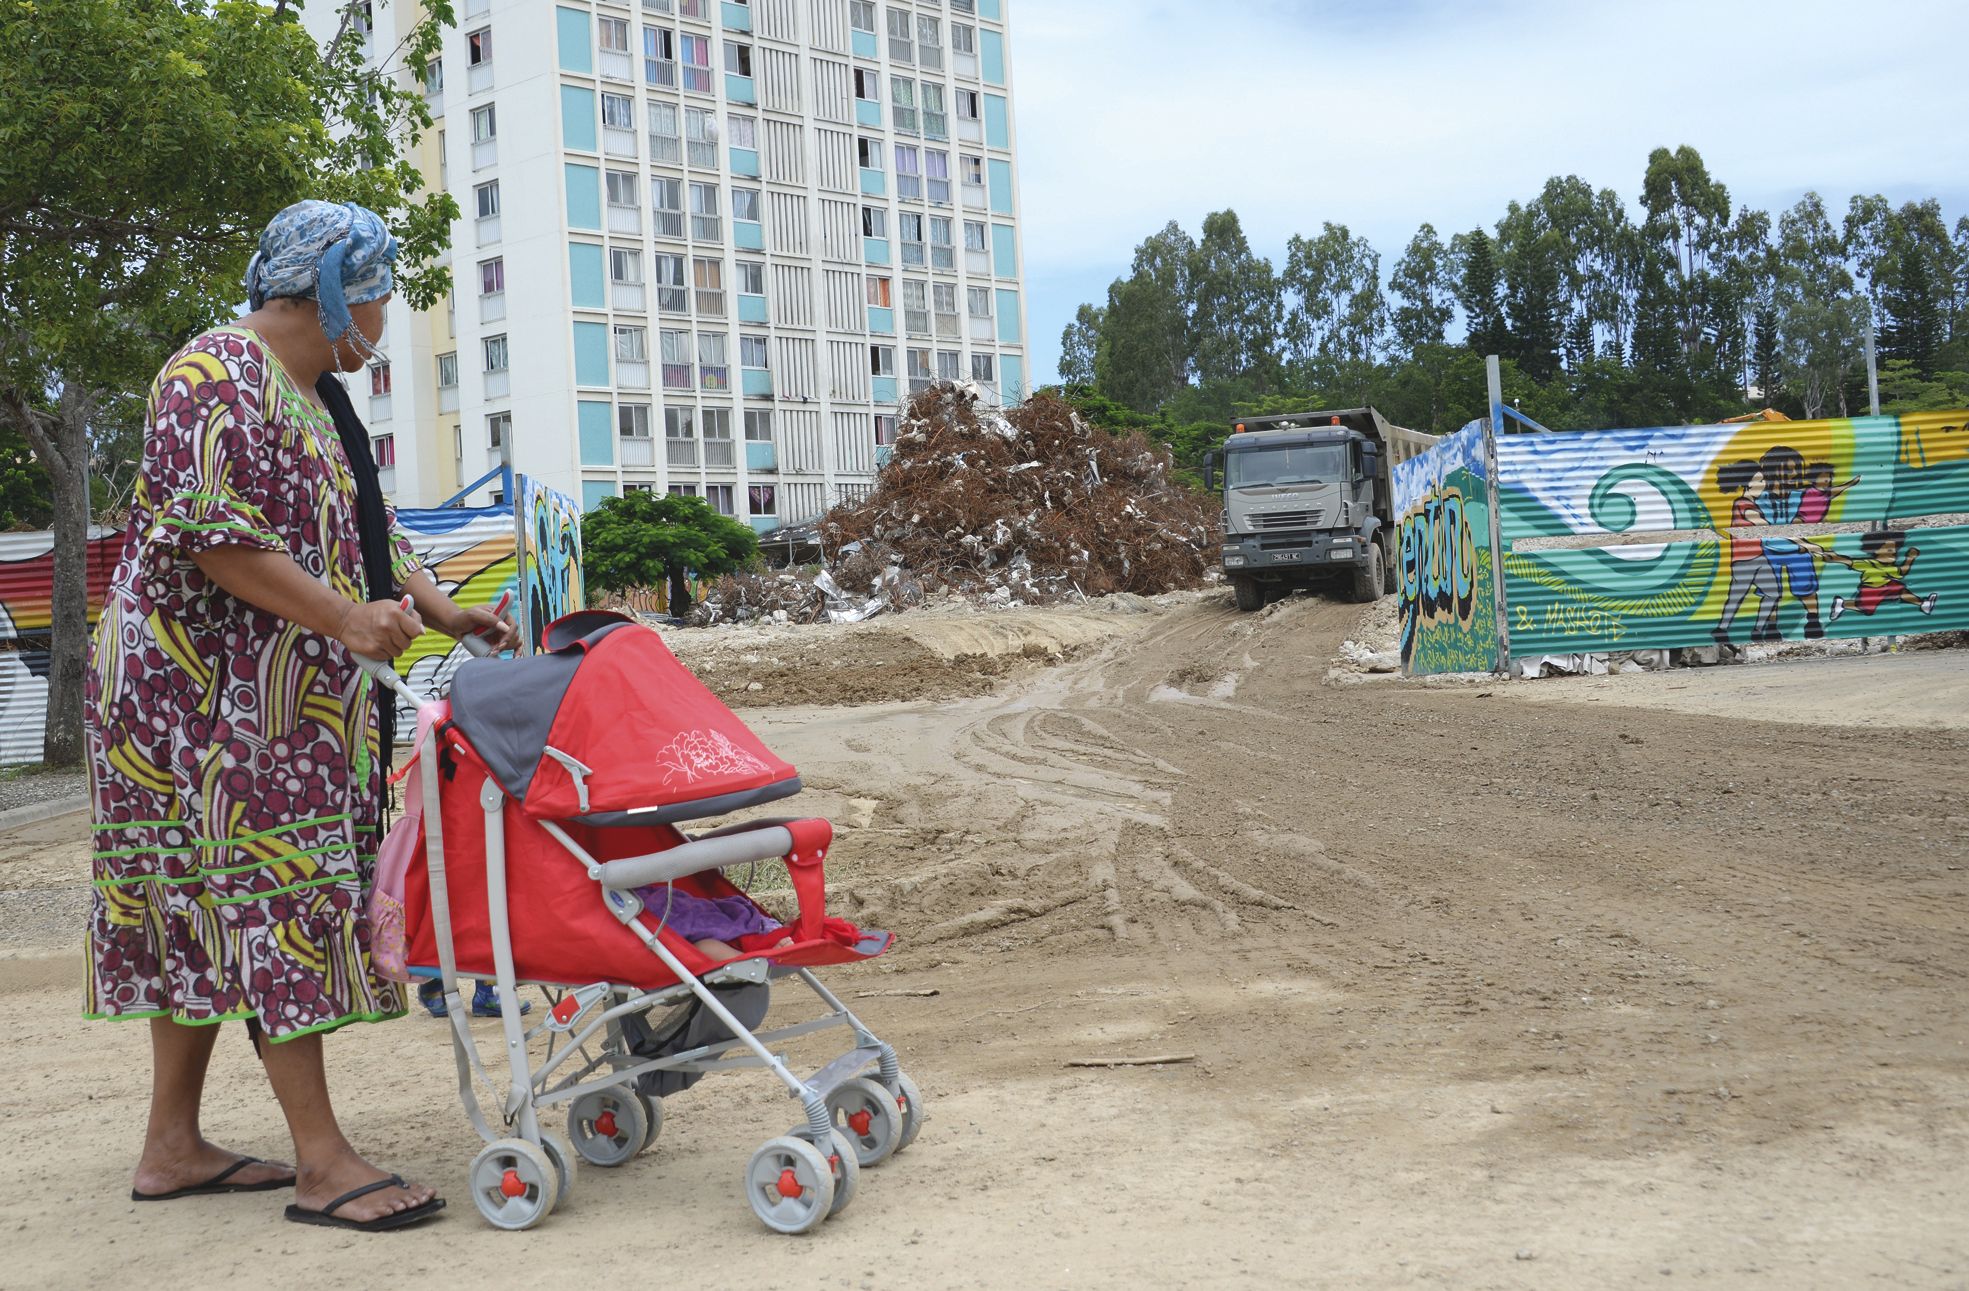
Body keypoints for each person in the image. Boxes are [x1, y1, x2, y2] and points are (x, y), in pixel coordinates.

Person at [85, 201, 518, 1232]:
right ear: (328, 287)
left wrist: (440, 608)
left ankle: (173, 1146)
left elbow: (358, 534)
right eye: (374, 289)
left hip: (277, 694)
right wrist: (344, 621)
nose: (382, 312)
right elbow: (211, 538)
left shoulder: (317, 397)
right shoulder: (209, 377)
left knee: (203, 901)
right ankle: (323, 1162)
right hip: (197, 702)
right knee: (265, 889)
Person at [1712, 459, 1780, 645]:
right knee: (1736, 597)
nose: (1763, 485)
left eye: (1763, 480)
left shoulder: (1749, 503)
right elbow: (1759, 522)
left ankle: (1757, 629)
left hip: (1758, 557)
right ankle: (1721, 629)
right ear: (1747, 483)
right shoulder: (1743, 504)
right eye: (1758, 481)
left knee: (1772, 593)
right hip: (1744, 562)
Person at [1819, 531, 1941, 622]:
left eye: (1894, 552)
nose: (1893, 555)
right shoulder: (1869, 563)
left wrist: (1910, 558)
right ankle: (1843, 604)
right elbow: (1850, 562)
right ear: (1876, 551)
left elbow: (1902, 572)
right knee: (1866, 609)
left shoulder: (1889, 567)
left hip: (1886, 586)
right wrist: (1836, 558)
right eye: (1889, 551)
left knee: (1900, 590)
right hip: (1870, 590)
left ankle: (1923, 604)